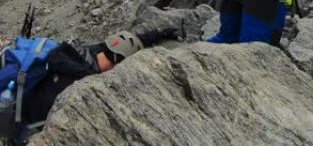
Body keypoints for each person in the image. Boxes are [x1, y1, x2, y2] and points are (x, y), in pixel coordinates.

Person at [0, 24, 180, 143]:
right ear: (118, 62)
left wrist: (159, 33)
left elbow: (124, 44)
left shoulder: (87, 52)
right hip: (26, 125)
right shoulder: (77, 83)